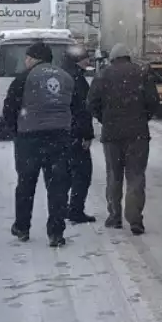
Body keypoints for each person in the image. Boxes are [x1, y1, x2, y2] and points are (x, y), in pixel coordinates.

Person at [1, 41, 73, 247]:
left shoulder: (24, 78)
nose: (25, 61)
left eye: (27, 57)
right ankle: (56, 232)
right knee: (57, 186)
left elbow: (10, 107)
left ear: (33, 58)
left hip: (29, 139)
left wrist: (16, 132)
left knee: (26, 185)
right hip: (59, 138)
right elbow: (77, 107)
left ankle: (22, 228)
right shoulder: (66, 77)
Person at [87, 43, 160, 235]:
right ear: (128, 57)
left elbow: (91, 102)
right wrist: (142, 118)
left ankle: (114, 216)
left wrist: (104, 119)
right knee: (136, 176)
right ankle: (135, 219)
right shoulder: (142, 73)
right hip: (138, 135)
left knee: (114, 175)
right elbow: (153, 102)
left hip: (112, 135)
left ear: (112, 58)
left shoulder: (103, 74)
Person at [60, 47, 97, 225]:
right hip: (75, 133)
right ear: (77, 61)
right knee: (82, 173)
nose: (88, 62)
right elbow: (83, 111)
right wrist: (87, 135)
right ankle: (75, 210)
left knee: (64, 173)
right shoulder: (78, 80)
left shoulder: (61, 76)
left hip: (61, 132)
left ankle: (61, 207)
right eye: (85, 59)